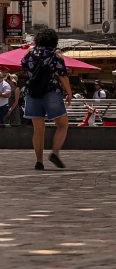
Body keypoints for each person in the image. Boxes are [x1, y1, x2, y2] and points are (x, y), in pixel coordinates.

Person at [21, 28, 72, 170]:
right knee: (62, 125)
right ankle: (55, 153)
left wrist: (31, 51)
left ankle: (39, 161)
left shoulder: (30, 54)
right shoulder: (55, 55)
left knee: (38, 129)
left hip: (33, 93)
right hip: (52, 92)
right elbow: (63, 76)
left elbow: (23, 66)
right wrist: (69, 92)